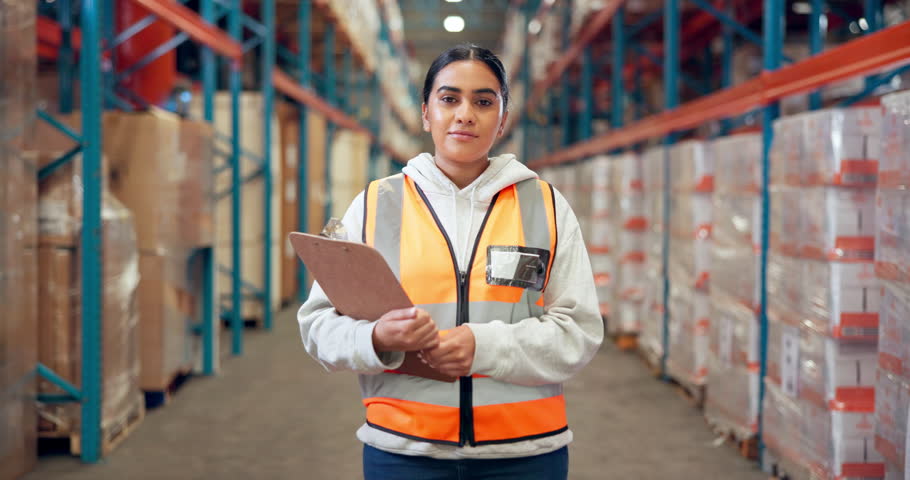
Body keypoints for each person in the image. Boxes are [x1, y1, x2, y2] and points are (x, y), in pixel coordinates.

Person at [298, 43, 603, 480]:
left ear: (502, 120)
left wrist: (484, 346)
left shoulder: (545, 206)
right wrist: (377, 337)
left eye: (483, 101)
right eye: (449, 99)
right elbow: (318, 327)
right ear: (426, 114)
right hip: (403, 453)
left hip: (527, 455)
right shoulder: (374, 205)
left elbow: (580, 331)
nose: (465, 114)